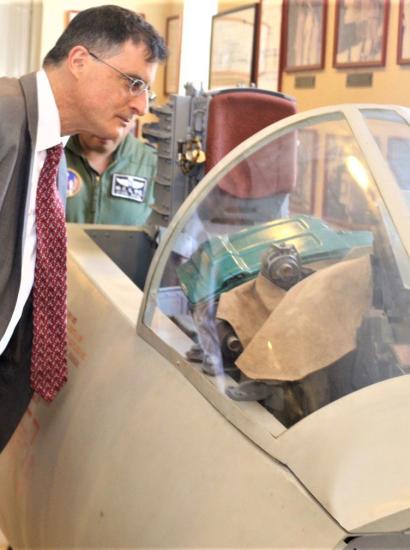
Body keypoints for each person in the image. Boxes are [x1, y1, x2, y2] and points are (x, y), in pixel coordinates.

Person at [0, 5, 167, 451]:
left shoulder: (51, 153)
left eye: (147, 90)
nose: (141, 106)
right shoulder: (5, 115)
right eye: (133, 82)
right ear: (79, 62)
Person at [65, 119, 157, 225]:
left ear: (133, 120)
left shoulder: (153, 164)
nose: (107, 130)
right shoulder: (51, 154)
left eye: (120, 119)